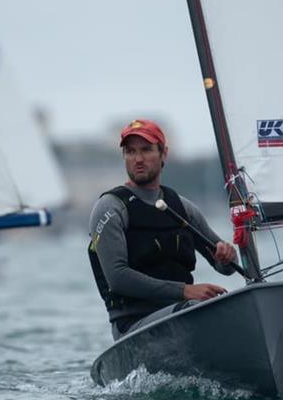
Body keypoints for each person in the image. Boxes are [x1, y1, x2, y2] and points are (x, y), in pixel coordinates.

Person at [88, 118, 239, 340]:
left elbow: (225, 268)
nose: (138, 159)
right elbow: (118, 278)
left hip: (183, 312)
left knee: (224, 307)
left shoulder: (183, 208)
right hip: (133, 324)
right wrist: (185, 291)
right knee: (194, 310)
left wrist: (228, 255)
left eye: (146, 150)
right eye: (130, 152)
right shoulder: (110, 208)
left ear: (163, 153)